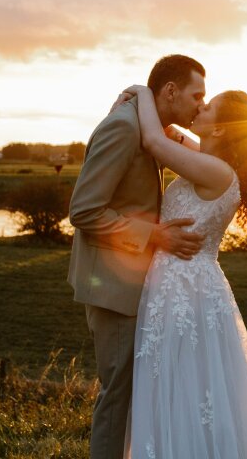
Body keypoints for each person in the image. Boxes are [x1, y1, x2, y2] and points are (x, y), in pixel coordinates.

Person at [121, 83, 247, 459]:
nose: (200, 106)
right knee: (183, 384)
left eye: (208, 106)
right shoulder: (211, 162)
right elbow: (171, 137)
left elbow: (154, 141)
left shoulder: (215, 171)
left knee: (185, 383)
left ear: (220, 129)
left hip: (185, 287)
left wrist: (143, 93)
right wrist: (168, 120)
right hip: (182, 282)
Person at [68, 55, 209, 459]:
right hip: (111, 289)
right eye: (196, 94)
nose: (201, 104)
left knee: (132, 395)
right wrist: (155, 237)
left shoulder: (149, 128)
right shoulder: (122, 127)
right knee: (117, 396)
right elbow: (84, 210)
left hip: (132, 285)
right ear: (170, 91)